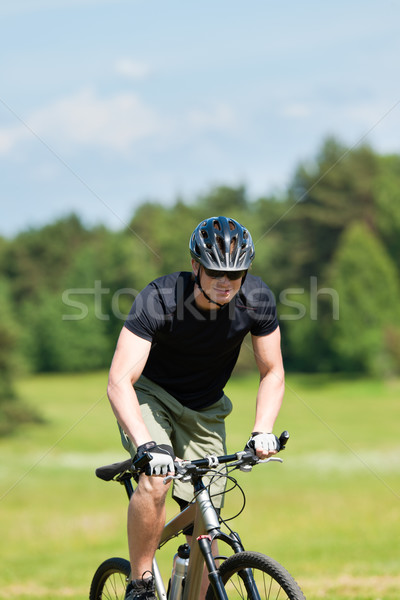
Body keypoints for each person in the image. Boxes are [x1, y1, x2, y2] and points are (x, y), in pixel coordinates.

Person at [107, 216, 285, 600]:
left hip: (206, 407)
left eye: (235, 274)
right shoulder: (160, 298)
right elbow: (120, 380)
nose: (225, 282)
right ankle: (139, 586)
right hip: (152, 397)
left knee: (207, 519)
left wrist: (262, 430)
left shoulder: (257, 300)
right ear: (195, 267)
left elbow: (272, 372)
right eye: (216, 272)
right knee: (157, 478)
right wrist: (144, 445)